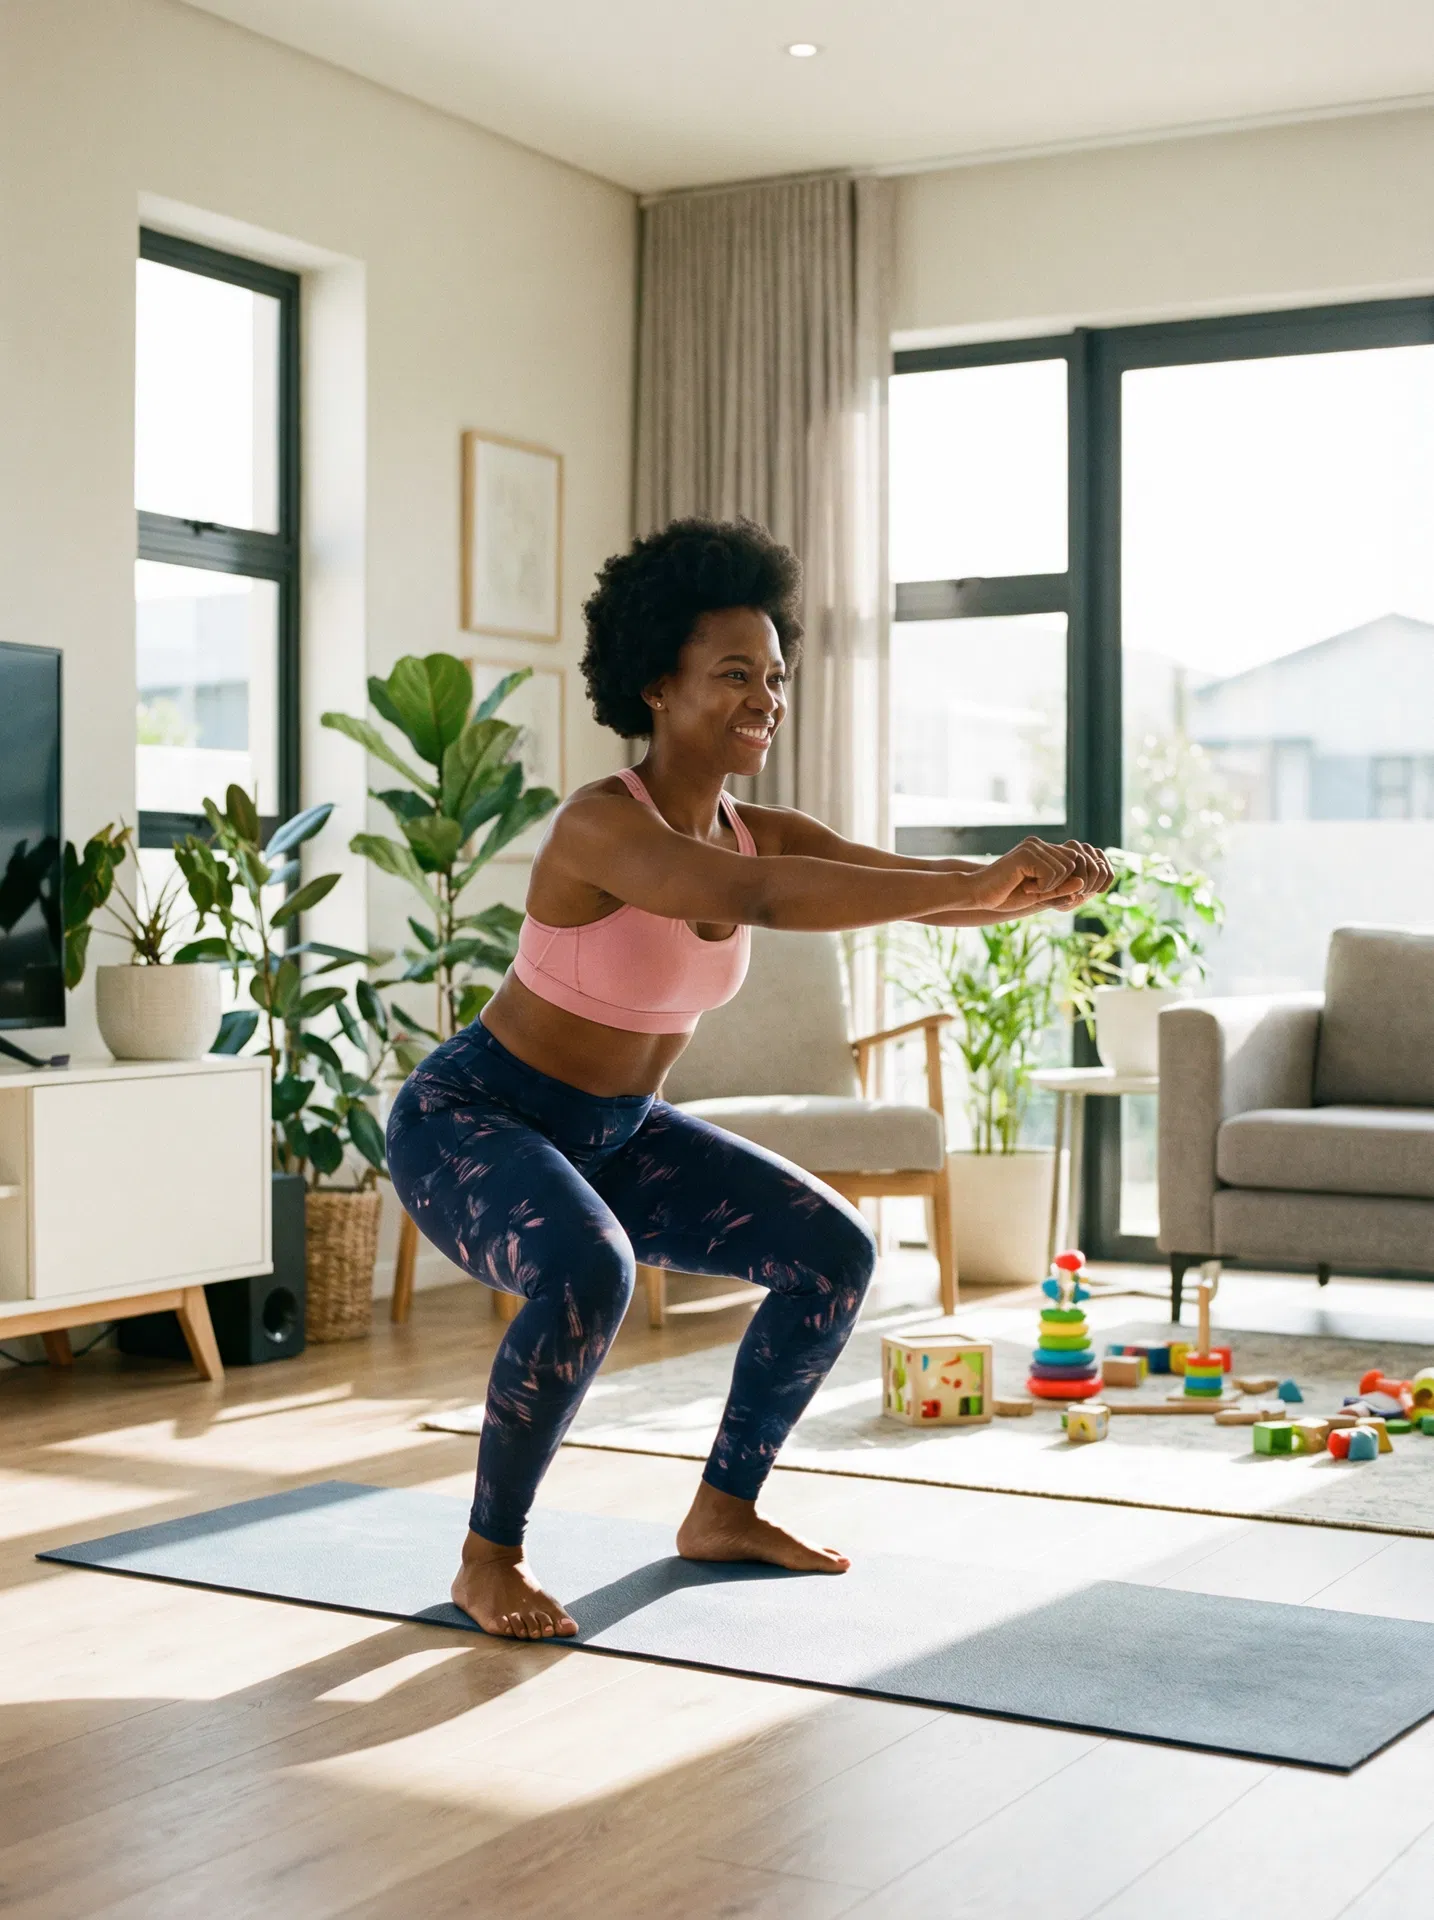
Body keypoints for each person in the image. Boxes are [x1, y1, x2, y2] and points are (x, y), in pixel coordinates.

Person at [386, 517, 1112, 1641]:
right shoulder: (597, 828)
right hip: (475, 1119)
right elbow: (769, 900)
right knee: (588, 1272)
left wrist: (1027, 880)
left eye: (774, 676)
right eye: (734, 675)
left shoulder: (756, 827)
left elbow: (924, 884)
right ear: (655, 684)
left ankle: (723, 1511)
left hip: (617, 1132)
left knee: (834, 1253)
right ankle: (490, 1559)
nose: (764, 697)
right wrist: (980, 879)